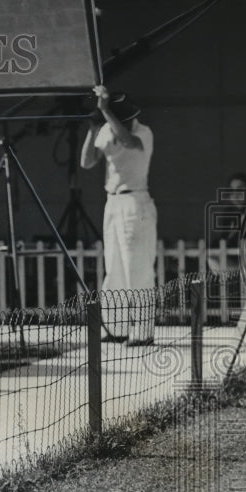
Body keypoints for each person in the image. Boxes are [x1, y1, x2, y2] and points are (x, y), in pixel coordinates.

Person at [80, 85, 156, 345]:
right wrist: (92, 128)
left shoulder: (143, 133)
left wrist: (106, 112)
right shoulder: (106, 130)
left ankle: (143, 331)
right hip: (112, 202)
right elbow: (87, 161)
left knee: (138, 268)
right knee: (114, 268)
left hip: (136, 201)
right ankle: (117, 327)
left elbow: (127, 141)